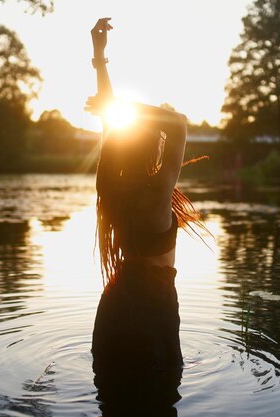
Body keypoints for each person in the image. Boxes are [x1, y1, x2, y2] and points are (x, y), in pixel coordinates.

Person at [85, 18, 206, 413]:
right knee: (157, 398)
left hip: (115, 309)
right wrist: (119, 105)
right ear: (154, 147)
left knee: (112, 400)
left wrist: (100, 59)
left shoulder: (114, 193)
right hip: (151, 317)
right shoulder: (156, 195)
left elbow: (111, 130)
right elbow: (180, 123)